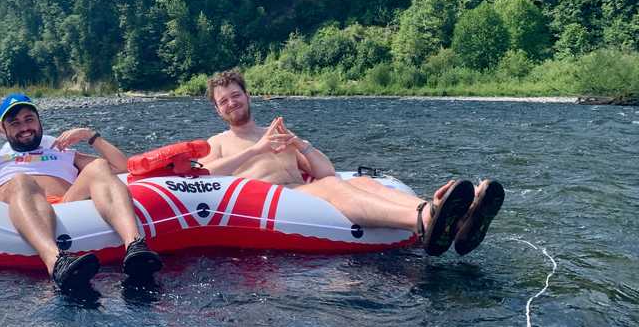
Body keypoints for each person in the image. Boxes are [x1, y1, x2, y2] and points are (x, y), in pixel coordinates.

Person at [200, 70, 504, 256]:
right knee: (333, 187)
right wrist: (257, 150)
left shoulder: (277, 132)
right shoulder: (219, 142)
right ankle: (425, 219)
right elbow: (204, 175)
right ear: (218, 109)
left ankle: (454, 218)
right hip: (268, 200)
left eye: (235, 95)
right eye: (224, 101)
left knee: (360, 182)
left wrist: (297, 143)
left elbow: (324, 171)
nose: (232, 103)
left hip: (302, 190)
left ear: (247, 96)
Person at [0, 93, 162, 290]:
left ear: (39, 121)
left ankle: (134, 246)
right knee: (22, 181)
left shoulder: (61, 151)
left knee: (99, 166)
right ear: (4, 130)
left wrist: (90, 136)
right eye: (15, 123)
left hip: (68, 204)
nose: (24, 127)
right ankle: (56, 262)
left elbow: (122, 167)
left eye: (29, 119)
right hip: (25, 210)